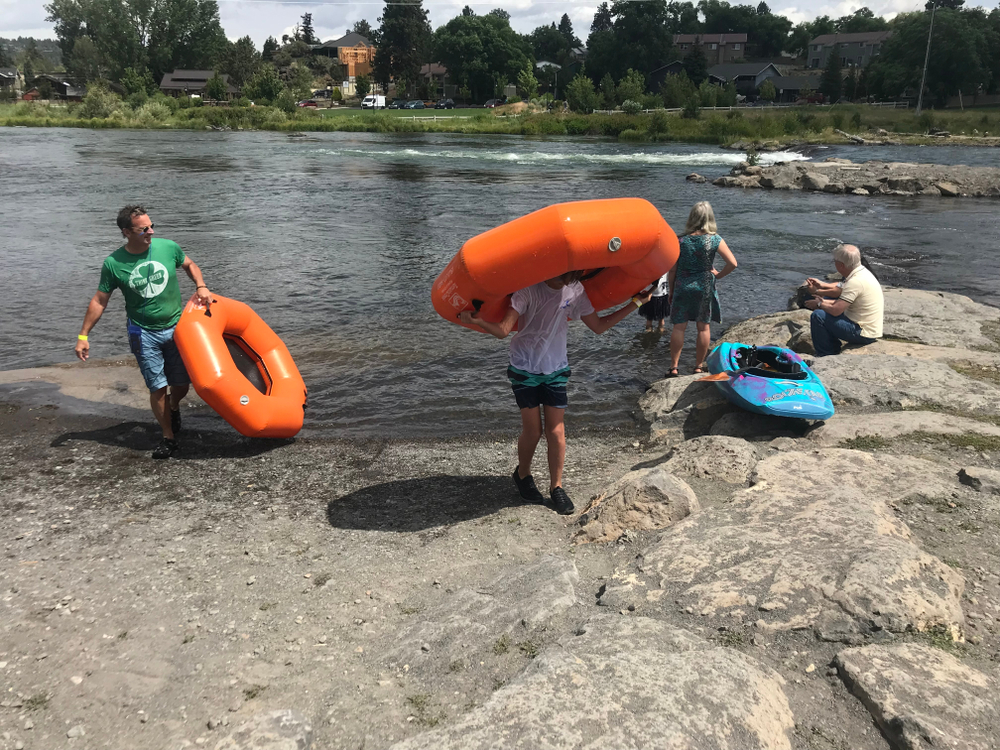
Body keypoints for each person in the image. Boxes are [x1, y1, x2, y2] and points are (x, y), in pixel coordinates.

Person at [459, 272, 651, 515]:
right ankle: (523, 474)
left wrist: (636, 303)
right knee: (534, 431)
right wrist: (476, 321)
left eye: (573, 273)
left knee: (556, 431)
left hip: (556, 368)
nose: (569, 278)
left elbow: (599, 326)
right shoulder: (527, 290)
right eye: (566, 273)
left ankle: (556, 487)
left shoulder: (576, 289)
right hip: (524, 366)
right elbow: (503, 330)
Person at [75, 205, 212, 459]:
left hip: (176, 327)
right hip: (142, 332)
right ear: (126, 232)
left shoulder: (168, 247)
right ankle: (168, 437)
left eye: (151, 226)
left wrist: (201, 285)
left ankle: (173, 405)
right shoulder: (114, 263)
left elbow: (190, 264)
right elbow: (99, 300)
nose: (150, 232)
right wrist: (83, 336)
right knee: (157, 386)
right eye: (143, 229)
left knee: (181, 384)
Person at [666, 202, 738, 377]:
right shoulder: (714, 239)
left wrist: (671, 290)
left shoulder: (680, 240)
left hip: (683, 285)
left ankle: (674, 367)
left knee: (679, 327)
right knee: (703, 328)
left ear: (692, 218)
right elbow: (733, 263)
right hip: (704, 286)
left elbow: (673, 269)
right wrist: (718, 275)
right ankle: (698, 366)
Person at [804, 243, 883, 356]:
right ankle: (833, 347)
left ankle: (826, 354)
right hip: (869, 327)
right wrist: (821, 296)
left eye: (835, 261)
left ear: (840, 265)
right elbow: (840, 297)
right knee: (825, 305)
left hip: (863, 332)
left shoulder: (856, 282)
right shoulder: (862, 272)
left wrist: (819, 304)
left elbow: (836, 310)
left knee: (818, 316)